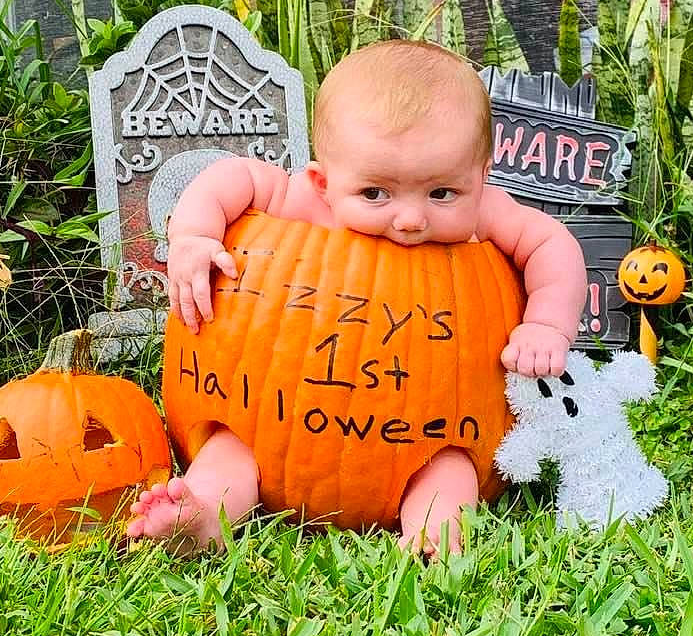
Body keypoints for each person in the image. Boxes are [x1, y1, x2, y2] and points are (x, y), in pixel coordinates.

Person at [127, 39, 587, 555]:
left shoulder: (486, 214)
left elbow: (554, 244)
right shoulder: (304, 201)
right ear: (324, 182)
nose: (410, 218)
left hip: (434, 433)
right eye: (375, 194)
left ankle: (435, 536)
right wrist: (193, 236)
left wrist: (546, 324)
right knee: (231, 451)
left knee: (453, 470)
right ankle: (206, 517)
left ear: (481, 178)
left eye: (441, 193)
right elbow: (228, 178)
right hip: (272, 422)